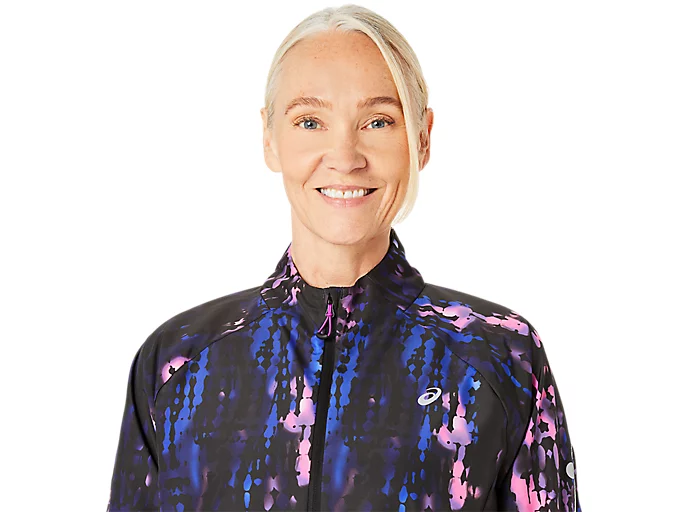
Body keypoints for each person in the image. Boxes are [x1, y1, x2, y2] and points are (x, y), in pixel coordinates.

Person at [107, 4, 581, 511]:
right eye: (310, 121)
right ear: (269, 138)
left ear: (422, 138)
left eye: (378, 121)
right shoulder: (178, 362)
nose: (345, 156)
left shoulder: (498, 357)